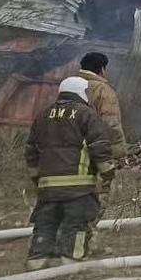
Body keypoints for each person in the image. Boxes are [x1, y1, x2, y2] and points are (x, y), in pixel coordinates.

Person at [25, 76, 115, 270]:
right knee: (76, 224)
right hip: (78, 187)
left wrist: (38, 179)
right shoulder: (86, 114)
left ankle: (37, 259)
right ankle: (70, 261)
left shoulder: (42, 116)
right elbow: (99, 146)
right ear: (81, 92)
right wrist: (108, 171)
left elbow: (31, 151)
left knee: (45, 223)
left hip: (47, 187)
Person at [78, 52, 127, 206]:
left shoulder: (70, 86)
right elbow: (111, 124)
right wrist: (119, 152)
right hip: (96, 150)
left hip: (69, 151)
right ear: (102, 69)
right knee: (100, 193)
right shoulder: (103, 90)